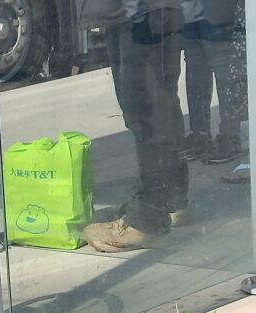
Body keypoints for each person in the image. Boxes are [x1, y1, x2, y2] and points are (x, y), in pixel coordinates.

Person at [82, 1, 188, 252]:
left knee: (145, 109)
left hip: (141, 12)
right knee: (156, 104)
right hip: (136, 12)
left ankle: (147, 218)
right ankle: (169, 201)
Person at [181, 0, 241, 163]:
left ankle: (230, 137)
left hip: (217, 10)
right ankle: (200, 135)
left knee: (222, 65)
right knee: (195, 68)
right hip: (188, 12)